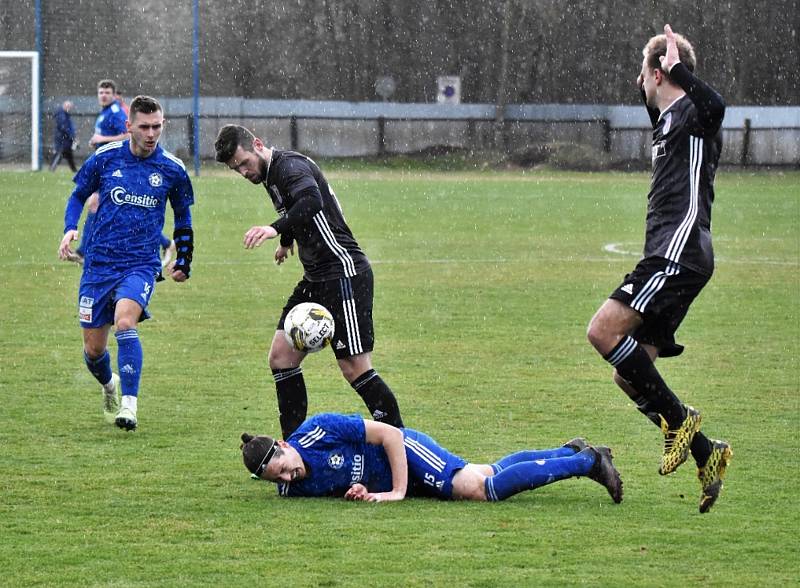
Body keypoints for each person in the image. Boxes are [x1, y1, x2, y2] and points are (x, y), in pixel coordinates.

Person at [586, 25, 731, 513]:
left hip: (677, 251)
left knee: (603, 332)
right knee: (630, 376)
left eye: (642, 74)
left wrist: (677, 70)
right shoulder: (667, 119)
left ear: (657, 73)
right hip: (679, 255)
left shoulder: (692, 112)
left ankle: (680, 419)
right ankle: (707, 452)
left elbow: (716, 107)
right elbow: (658, 102)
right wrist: (656, 81)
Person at [214, 125, 404, 439]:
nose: (243, 172)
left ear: (257, 145)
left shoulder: (289, 167)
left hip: (344, 274)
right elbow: (293, 207)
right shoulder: (270, 173)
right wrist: (287, 240)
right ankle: (295, 449)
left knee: (355, 368)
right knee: (281, 358)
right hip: (316, 277)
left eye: (244, 163)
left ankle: (403, 445)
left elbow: (310, 201)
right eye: (236, 169)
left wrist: (275, 229)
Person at [58, 95, 195, 431]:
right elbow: (78, 195)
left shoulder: (172, 169)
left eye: (157, 126)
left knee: (125, 322)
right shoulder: (105, 159)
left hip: (140, 264)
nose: (151, 133)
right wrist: (70, 228)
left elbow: (183, 216)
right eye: (145, 126)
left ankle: (130, 406)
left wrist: (185, 259)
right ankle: (109, 385)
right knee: (93, 351)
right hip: (99, 265)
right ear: (129, 126)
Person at [241, 413, 623, 504]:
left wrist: (396, 491)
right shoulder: (292, 490)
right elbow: (342, 479)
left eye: (284, 468)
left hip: (406, 451)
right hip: (386, 476)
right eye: (279, 480)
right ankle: (568, 452)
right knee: (485, 471)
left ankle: (587, 463)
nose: (289, 478)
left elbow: (389, 433)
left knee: (476, 488)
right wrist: (361, 487)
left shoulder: (320, 429)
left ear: (284, 443)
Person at [69, 79, 130, 264]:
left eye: (107, 92)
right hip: (103, 165)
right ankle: (85, 250)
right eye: (101, 92)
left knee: (109, 206)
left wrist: (101, 138)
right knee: (105, 206)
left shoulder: (115, 112)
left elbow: (127, 136)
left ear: (114, 95)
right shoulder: (104, 112)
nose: (103, 95)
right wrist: (97, 141)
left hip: (115, 166)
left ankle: (84, 250)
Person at [50, 100, 77, 172]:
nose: (69, 108)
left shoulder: (65, 114)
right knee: (59, 153)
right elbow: (64, 127)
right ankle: (52, 168)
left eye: (70, 107)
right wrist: (71, 135)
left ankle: (74, 170)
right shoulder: (62, 114)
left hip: (66, 139)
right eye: (68, 106)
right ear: (64, 106)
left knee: (68, 155)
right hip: (63, 139)